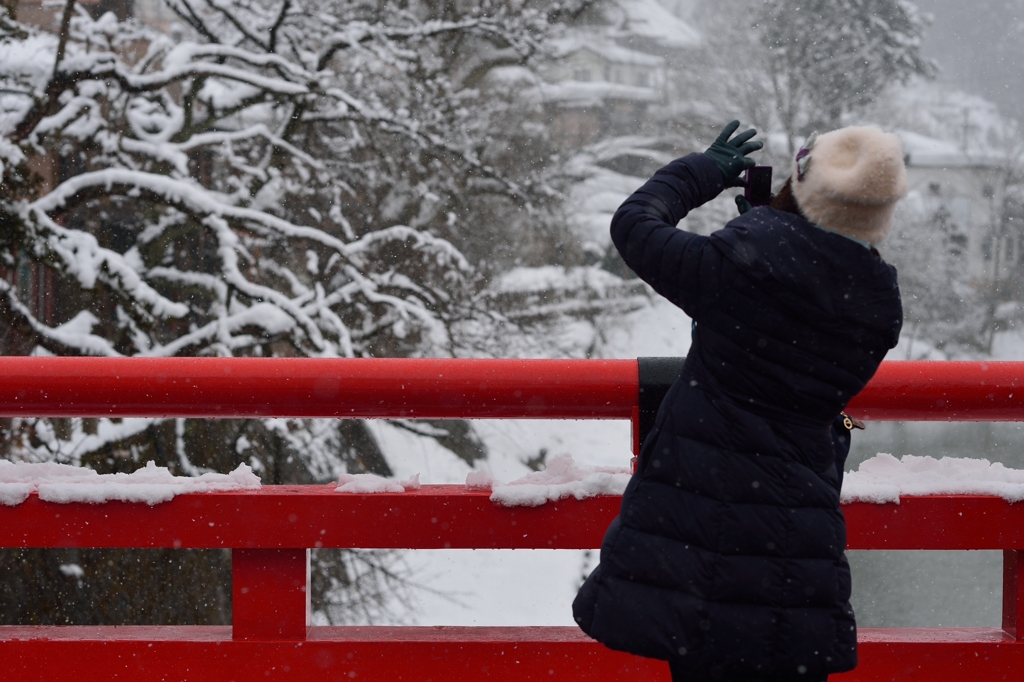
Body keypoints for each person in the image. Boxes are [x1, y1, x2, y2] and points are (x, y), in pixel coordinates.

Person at [573, 121, 905, 681]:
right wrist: (763, 230)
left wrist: (704, 172)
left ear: (799, 186)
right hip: (799, 549)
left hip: (703, 542)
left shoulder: (735, 269)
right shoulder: (877, 305)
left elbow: (634, 224)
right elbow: (799, 299)